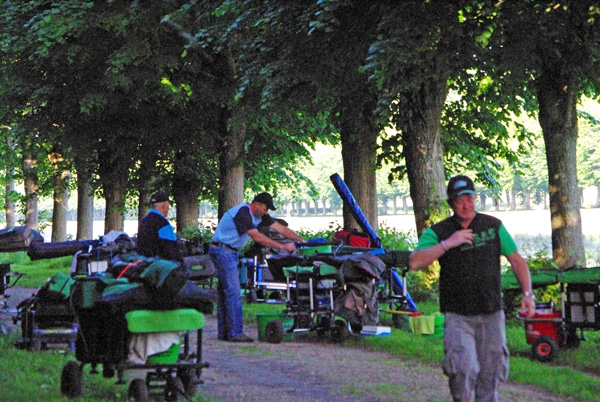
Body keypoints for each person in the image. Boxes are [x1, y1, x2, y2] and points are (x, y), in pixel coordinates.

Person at [409, 175, 536, 402]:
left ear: (475, 198)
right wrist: (448, 243)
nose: (465, 205)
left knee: (492, 373)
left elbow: (517, 260)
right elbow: (416, 262)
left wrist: (527, 294)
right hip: (458, 316)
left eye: (469, 198)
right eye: (459, 201)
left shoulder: (493, 226)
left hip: (491, 313)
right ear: (451, 204)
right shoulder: (440, 231)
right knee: (463, 369)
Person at [210, 192, 304, 342]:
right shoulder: (243, 212)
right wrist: (283, 246)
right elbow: (257, 237)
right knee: (233, 292)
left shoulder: (259, 215)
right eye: (265, 209)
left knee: (224, 293)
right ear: (258, 204)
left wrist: (301, 240)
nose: (266, 213)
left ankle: (225, 333)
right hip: (223, 251)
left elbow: (280, 228)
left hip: (228, 251)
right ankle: (236, 333)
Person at [137, 191, 183, 263]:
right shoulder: (162, 223)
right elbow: (171, 249)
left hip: (144, 265)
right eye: (168, 205)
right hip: (160, 267)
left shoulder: (144, 221)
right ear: (164, 206)